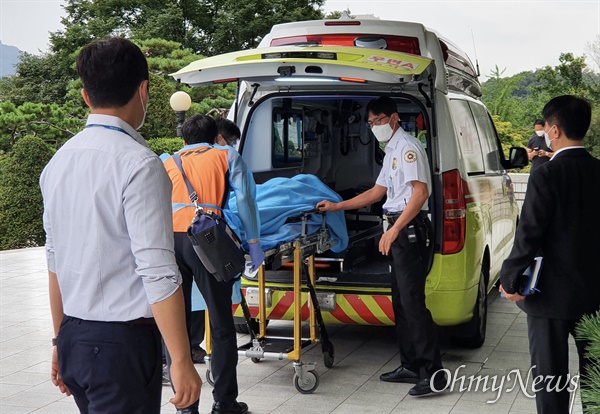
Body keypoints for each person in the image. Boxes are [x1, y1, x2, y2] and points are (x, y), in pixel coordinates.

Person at [40, 37, 201, 414]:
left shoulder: (58, 162)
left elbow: (54, 260)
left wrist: (59, 340)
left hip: (75, 337)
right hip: (119, 347)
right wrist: (180, 359)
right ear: (143, 90)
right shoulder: (139, 164)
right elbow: (158, 270)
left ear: (85, 95)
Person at [316, 96, 444, 396]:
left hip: (408, 229)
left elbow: (420, 193)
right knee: (400, 301)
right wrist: (338, 206)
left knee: (413, 303)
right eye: (371, 123)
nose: (374, 127)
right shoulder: (391, 151)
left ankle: (433, 372)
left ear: (394, 118)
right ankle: (411, 364)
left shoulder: (408, 148)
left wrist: (394, 230)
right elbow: (378, 191)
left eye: (378, 121)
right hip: (397, 228)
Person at [499, 95, 600, 414]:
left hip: (548, 296)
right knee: (595, 383)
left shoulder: (546, 173)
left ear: (554, 130)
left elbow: (528, 233)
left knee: (550, 382)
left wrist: (510, 281)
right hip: (595, 296)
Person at [163, 115, 264, 414]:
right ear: (216, 136)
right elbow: (246, 198)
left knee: (176, 326)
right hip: (206, 238)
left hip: (169, 240)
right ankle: (225, 403)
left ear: (183, 140)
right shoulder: (225, 155)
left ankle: (185, 407)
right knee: (220, 324)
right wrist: (254, 244)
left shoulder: (167, 160)